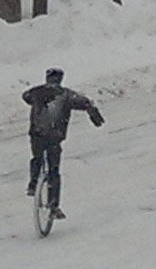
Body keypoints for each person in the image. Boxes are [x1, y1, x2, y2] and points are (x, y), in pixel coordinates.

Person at [22, 68, 105, 220]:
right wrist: (93, 111)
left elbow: (25, 96)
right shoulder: (66, 94)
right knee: (54, 170)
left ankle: (33, 184)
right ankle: (53, 206)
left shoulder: (36, 92)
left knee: (37, 158)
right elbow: (85, 102)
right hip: (55, 136)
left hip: (37, 134)